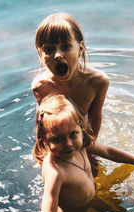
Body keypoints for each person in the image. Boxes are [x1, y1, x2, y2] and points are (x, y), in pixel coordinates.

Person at [32, 12, 108, 140]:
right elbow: (42, 123)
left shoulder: (97, 82)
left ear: (80, 49)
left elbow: (94, 119)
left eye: (65, 47)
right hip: (58, 135)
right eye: (49, 50)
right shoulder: (40, 86)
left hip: (81, 128)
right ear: (40, 53)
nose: (57, 55)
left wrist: (90, 146)